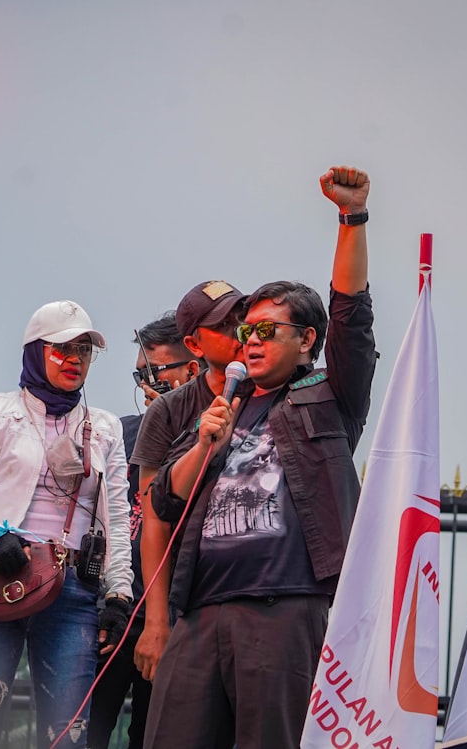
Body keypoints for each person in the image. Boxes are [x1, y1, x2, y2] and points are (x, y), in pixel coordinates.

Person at [143, 165, 377, 749]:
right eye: (247, 329)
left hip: (282, 609)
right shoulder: (218, 407)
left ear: (307, 342)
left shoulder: (328, 396)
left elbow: (351, 315)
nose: (252, 338)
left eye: (269, 330)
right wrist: (204, 442)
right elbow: (164, 501)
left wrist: (351, 218)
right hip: (199, 610)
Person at [0, 300, 134, 749]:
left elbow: (117, 517)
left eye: (85, 350)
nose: (75, 360)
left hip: (71, 589)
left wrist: (118, 592)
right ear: (34, 351)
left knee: (67, 736)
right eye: (62, 349)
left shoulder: (103, 426)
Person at [87, 312, 200, 749]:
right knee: (83, 734)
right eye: (139, 374)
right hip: (113, 613)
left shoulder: (212, 437)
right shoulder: (120, 433)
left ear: (193, 369)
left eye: (154, 371)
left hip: (177, 619)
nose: (145, 384)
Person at [129, 280, 249, 685]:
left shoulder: (273, 394)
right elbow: (153, 520)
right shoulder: (167, 411)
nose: (241, 331)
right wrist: (156, 622)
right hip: (188, 596)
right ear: (195, 346)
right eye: (226, 324)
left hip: (256, 597)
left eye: (243, 318)